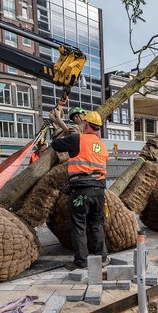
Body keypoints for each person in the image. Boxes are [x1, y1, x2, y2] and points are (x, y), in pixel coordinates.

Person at [51, 111, 109, 270]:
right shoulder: (102, 147)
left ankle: (81, 262)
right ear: (98, 129)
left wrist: (56, 132)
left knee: (79, 226)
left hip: (81, 190)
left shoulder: (78, 139)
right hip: (99, 191)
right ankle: (102, 258)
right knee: (96, 224)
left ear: (86, 125)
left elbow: (56, 145)